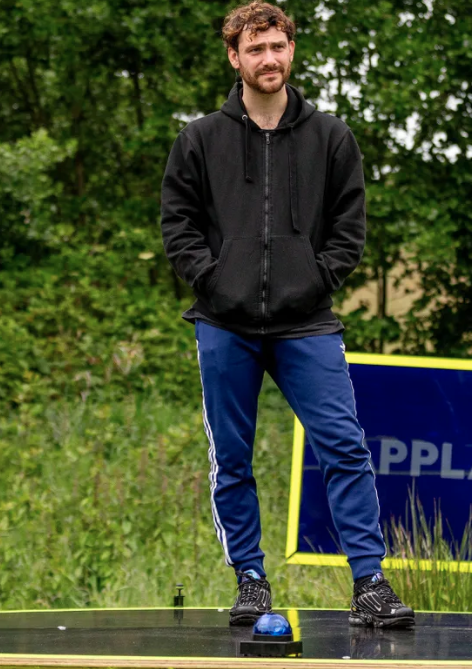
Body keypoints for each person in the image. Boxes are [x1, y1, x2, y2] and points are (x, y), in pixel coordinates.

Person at [159, 1, 412, 628]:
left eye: (278, 46)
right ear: (234, 57)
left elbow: (349, 229)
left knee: (345, 447)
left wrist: (316, 277)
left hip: (307, 322)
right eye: (255, 49)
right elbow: (178, 224)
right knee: (233, 458)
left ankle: (370, 585)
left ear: (291, 50)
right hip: (224, 323)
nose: (268, 59)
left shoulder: (331, 137)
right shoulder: (200, 139)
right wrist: (215, 279)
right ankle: (250, 579)